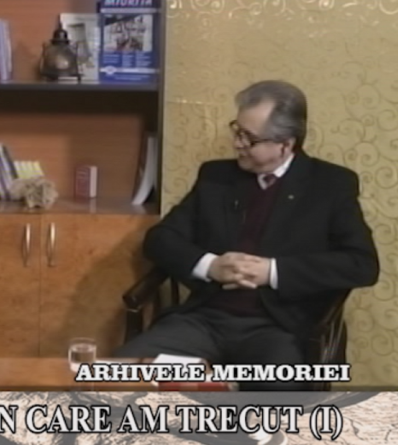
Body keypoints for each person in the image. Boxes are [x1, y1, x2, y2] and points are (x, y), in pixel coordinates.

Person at [114, 80, 380, 391]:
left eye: (249, 138)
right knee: (120, 374)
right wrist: (210, 265)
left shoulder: (330, 185)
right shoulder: (216, 177)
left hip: (278, 328)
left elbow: (361, 264)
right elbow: (160, 239)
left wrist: (272, 271)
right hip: (204, 320)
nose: (237, 143)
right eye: (236, 130)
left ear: (285, 144)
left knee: (275, 397)